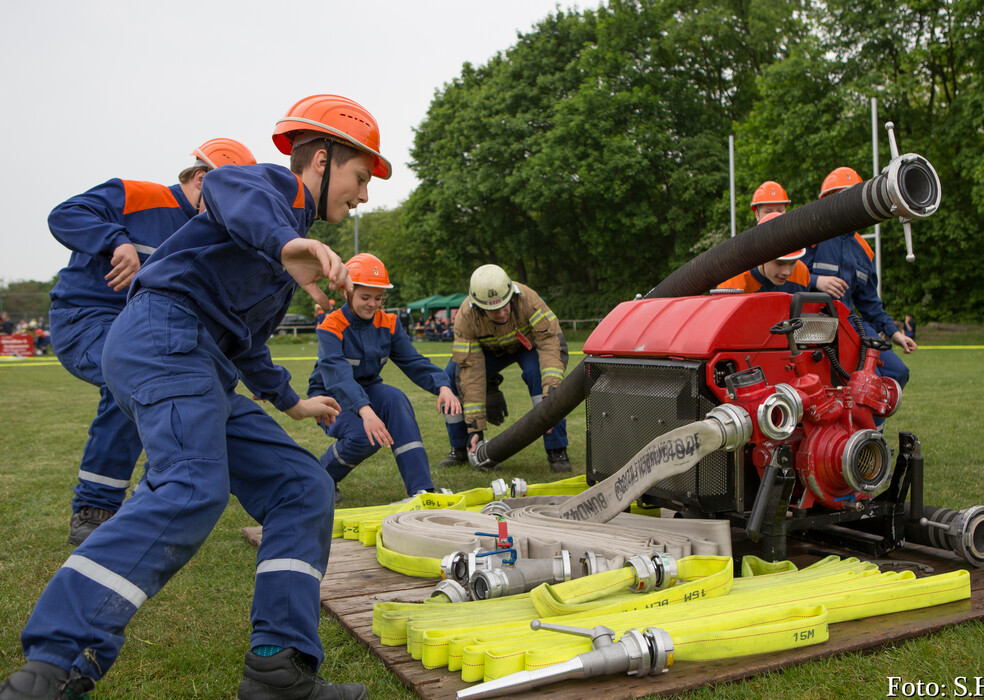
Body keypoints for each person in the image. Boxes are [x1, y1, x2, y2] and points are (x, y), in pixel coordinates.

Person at [0, 94, 389, 700]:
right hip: (161, 335)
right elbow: (230, 191)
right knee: (191, 486)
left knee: (303, 486)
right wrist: (288, 249)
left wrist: (293, 404)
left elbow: (248, 347)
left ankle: (277, 671)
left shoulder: (290, 251)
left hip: (201, 361)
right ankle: (55, 664)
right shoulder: (261, 189)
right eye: (359, 177)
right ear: (319, 158)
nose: (363, 195)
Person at [46, 138, 257, 546]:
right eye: (229, 195)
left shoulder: (210, 233)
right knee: (135, 374)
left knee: (185, 384)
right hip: (83, 319)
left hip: (143, 331)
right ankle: (95, 509)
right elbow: (65, 214)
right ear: (201, 178)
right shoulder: (138, 195)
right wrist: (116, 240)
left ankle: (154, 498)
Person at [308, 253, 461, 501]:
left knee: (395, 398)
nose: (372, 304)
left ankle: (421, 491)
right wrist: (366, 412)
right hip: (329, 396)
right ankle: (318, 477)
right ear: (348, 292)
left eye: (378, 298)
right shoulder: (330, 325)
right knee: (363, 436)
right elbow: (339, 377)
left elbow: (413, 361)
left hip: (369, 389)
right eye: (365, 297)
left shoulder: (389, 322)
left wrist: (443, 385)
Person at [439, 264, 571, 472]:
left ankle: (556, 450)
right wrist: (475, 427)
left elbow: (550, 342)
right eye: (493, 309)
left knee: (538, 374)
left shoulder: (529, 299)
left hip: (526, 346)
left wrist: (550, 396)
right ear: (479, 307)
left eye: (505, 305)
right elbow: (470, 371)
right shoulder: (466, 316)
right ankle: (463, 446)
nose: (501, 313)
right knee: (449, 377)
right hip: (487, 352)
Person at [802, 166, 917, 391]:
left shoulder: (864, 250)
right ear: (826, 202)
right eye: (841, 198)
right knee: (866, 380)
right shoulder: (809, 235)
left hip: (852, 325)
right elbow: (785, 279)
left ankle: (873, 426)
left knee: (897, 372)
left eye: (852, 198)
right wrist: (816, 281)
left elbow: (869, 303)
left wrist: (894, 333)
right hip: (816, 325)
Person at [718, 212, 811, 293]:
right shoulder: (733, 280)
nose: (786, 272)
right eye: (779, 263)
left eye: (792, 262)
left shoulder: (801, 273)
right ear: (760, 255)